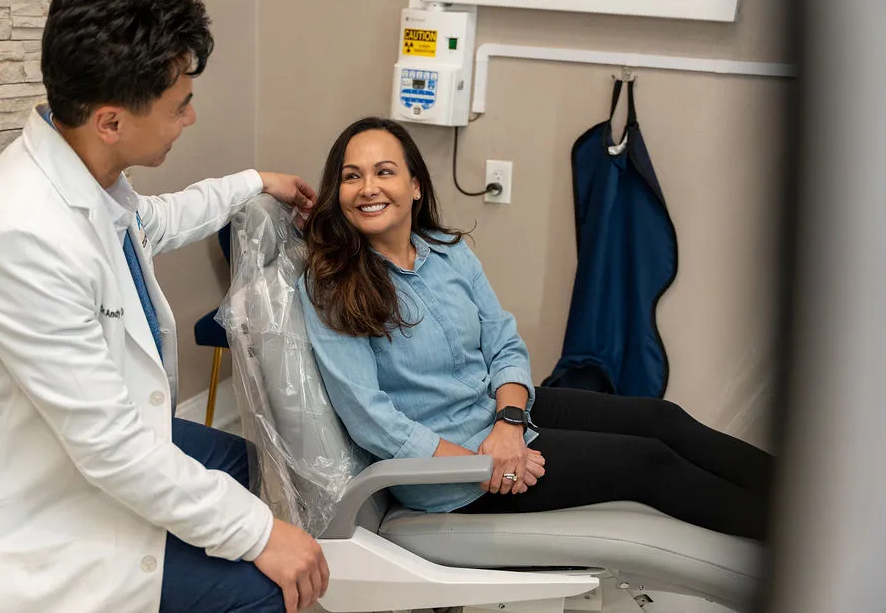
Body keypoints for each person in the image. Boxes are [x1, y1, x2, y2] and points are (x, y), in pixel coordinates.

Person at [0, 0, 327, 613]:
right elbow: (112, 449)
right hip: (23, 522)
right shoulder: (20, 238)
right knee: (267, 590)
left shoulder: (81, 164)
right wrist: (260, 537)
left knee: (245, 466)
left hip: (79, 444)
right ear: (111, 120)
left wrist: (252, 182)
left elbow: (151, 222)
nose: (190, 117)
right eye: (178, 105)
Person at [297, 116, 773, 541]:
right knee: (649, 462)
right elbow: (368, 415)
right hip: (453, 471)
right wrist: (480, 461)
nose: (368, 188)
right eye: (351, 176)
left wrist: (508, 422)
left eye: (385, 172)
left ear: (416, 186)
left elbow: (503, 342)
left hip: (499, 419)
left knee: (661, 419)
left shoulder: (447, 251)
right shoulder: (332, 284)